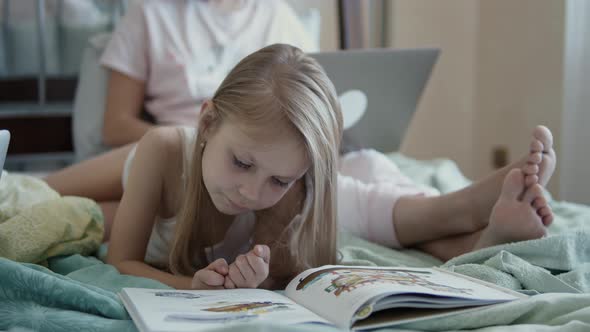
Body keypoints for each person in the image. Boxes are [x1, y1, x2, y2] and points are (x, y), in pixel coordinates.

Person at [44, 44, 556, 291]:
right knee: (53, 198)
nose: (249, 191)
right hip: (158, 175)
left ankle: (488, 217)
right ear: (206, 125)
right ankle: (481, 209)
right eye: (242, 163)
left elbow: (294, 243)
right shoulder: (165, 148)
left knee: (402, 215)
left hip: (280, 152)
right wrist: (193, 286)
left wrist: (254, 275)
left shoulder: (292, 186)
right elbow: (122, 261)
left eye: (278, 180)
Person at [100, 0, 316, 148]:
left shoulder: (277, 14)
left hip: (263, 149)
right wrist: (193, 142)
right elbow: (116, 126)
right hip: (182, 146)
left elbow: (313, 104)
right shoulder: (150, 13)